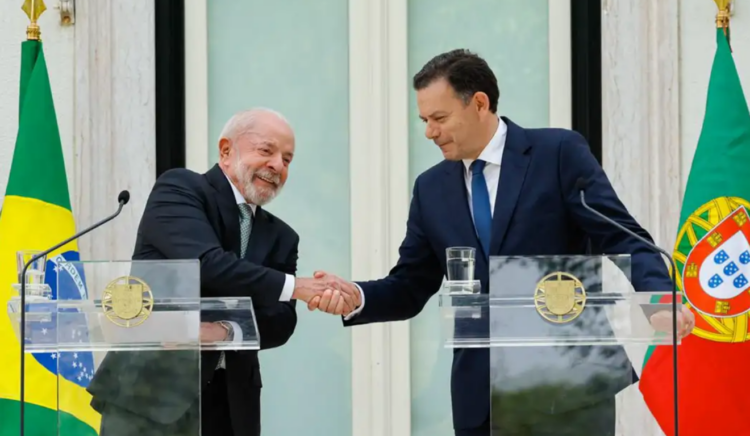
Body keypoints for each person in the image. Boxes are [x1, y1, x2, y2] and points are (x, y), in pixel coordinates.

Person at [308, 49, 695, 436]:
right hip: (482, 401)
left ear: (479, 103)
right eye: (424, 120)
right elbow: (410, 284)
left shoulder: (557, 154)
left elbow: (623, 236)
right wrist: (357, 296)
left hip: (569, 391)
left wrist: (660, 298)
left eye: (439, 118)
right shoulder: (431, 189)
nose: (429, 132)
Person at [86, 108, 358, 436]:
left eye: (287, 160)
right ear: (226, 150)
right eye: (267, 150)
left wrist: (223, 332)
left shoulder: (282, 237)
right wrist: (296, 286)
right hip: (150, 396)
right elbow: (208, 265)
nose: (277, 166)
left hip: (232, 405)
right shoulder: (179, 190)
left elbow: (281, 321)